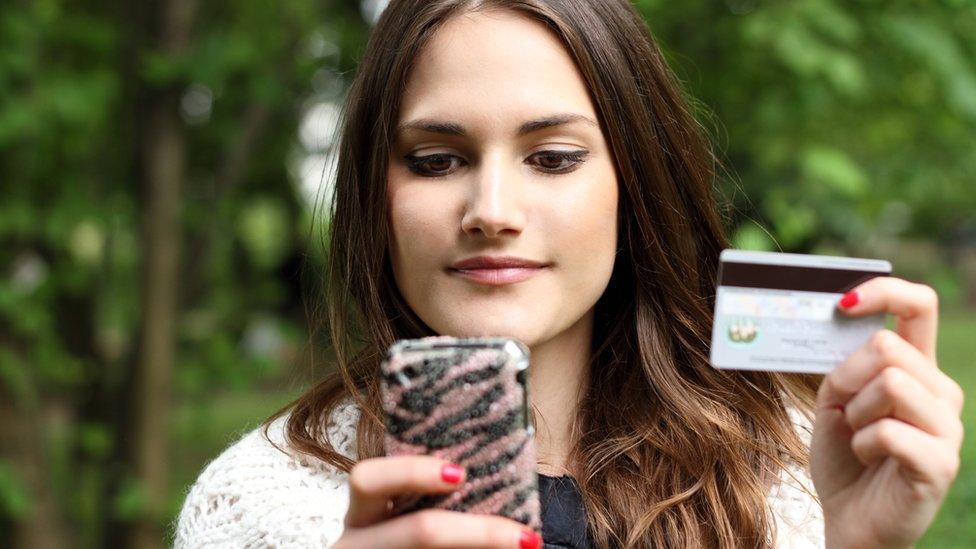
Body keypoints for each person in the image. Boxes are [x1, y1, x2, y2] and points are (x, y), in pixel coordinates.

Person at [173, 1, 965, 547]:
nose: (491, 208)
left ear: (635, 182)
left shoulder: (791, 476)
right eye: (436, 159)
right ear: (377, 194)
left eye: (552, 158)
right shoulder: (257, 505)